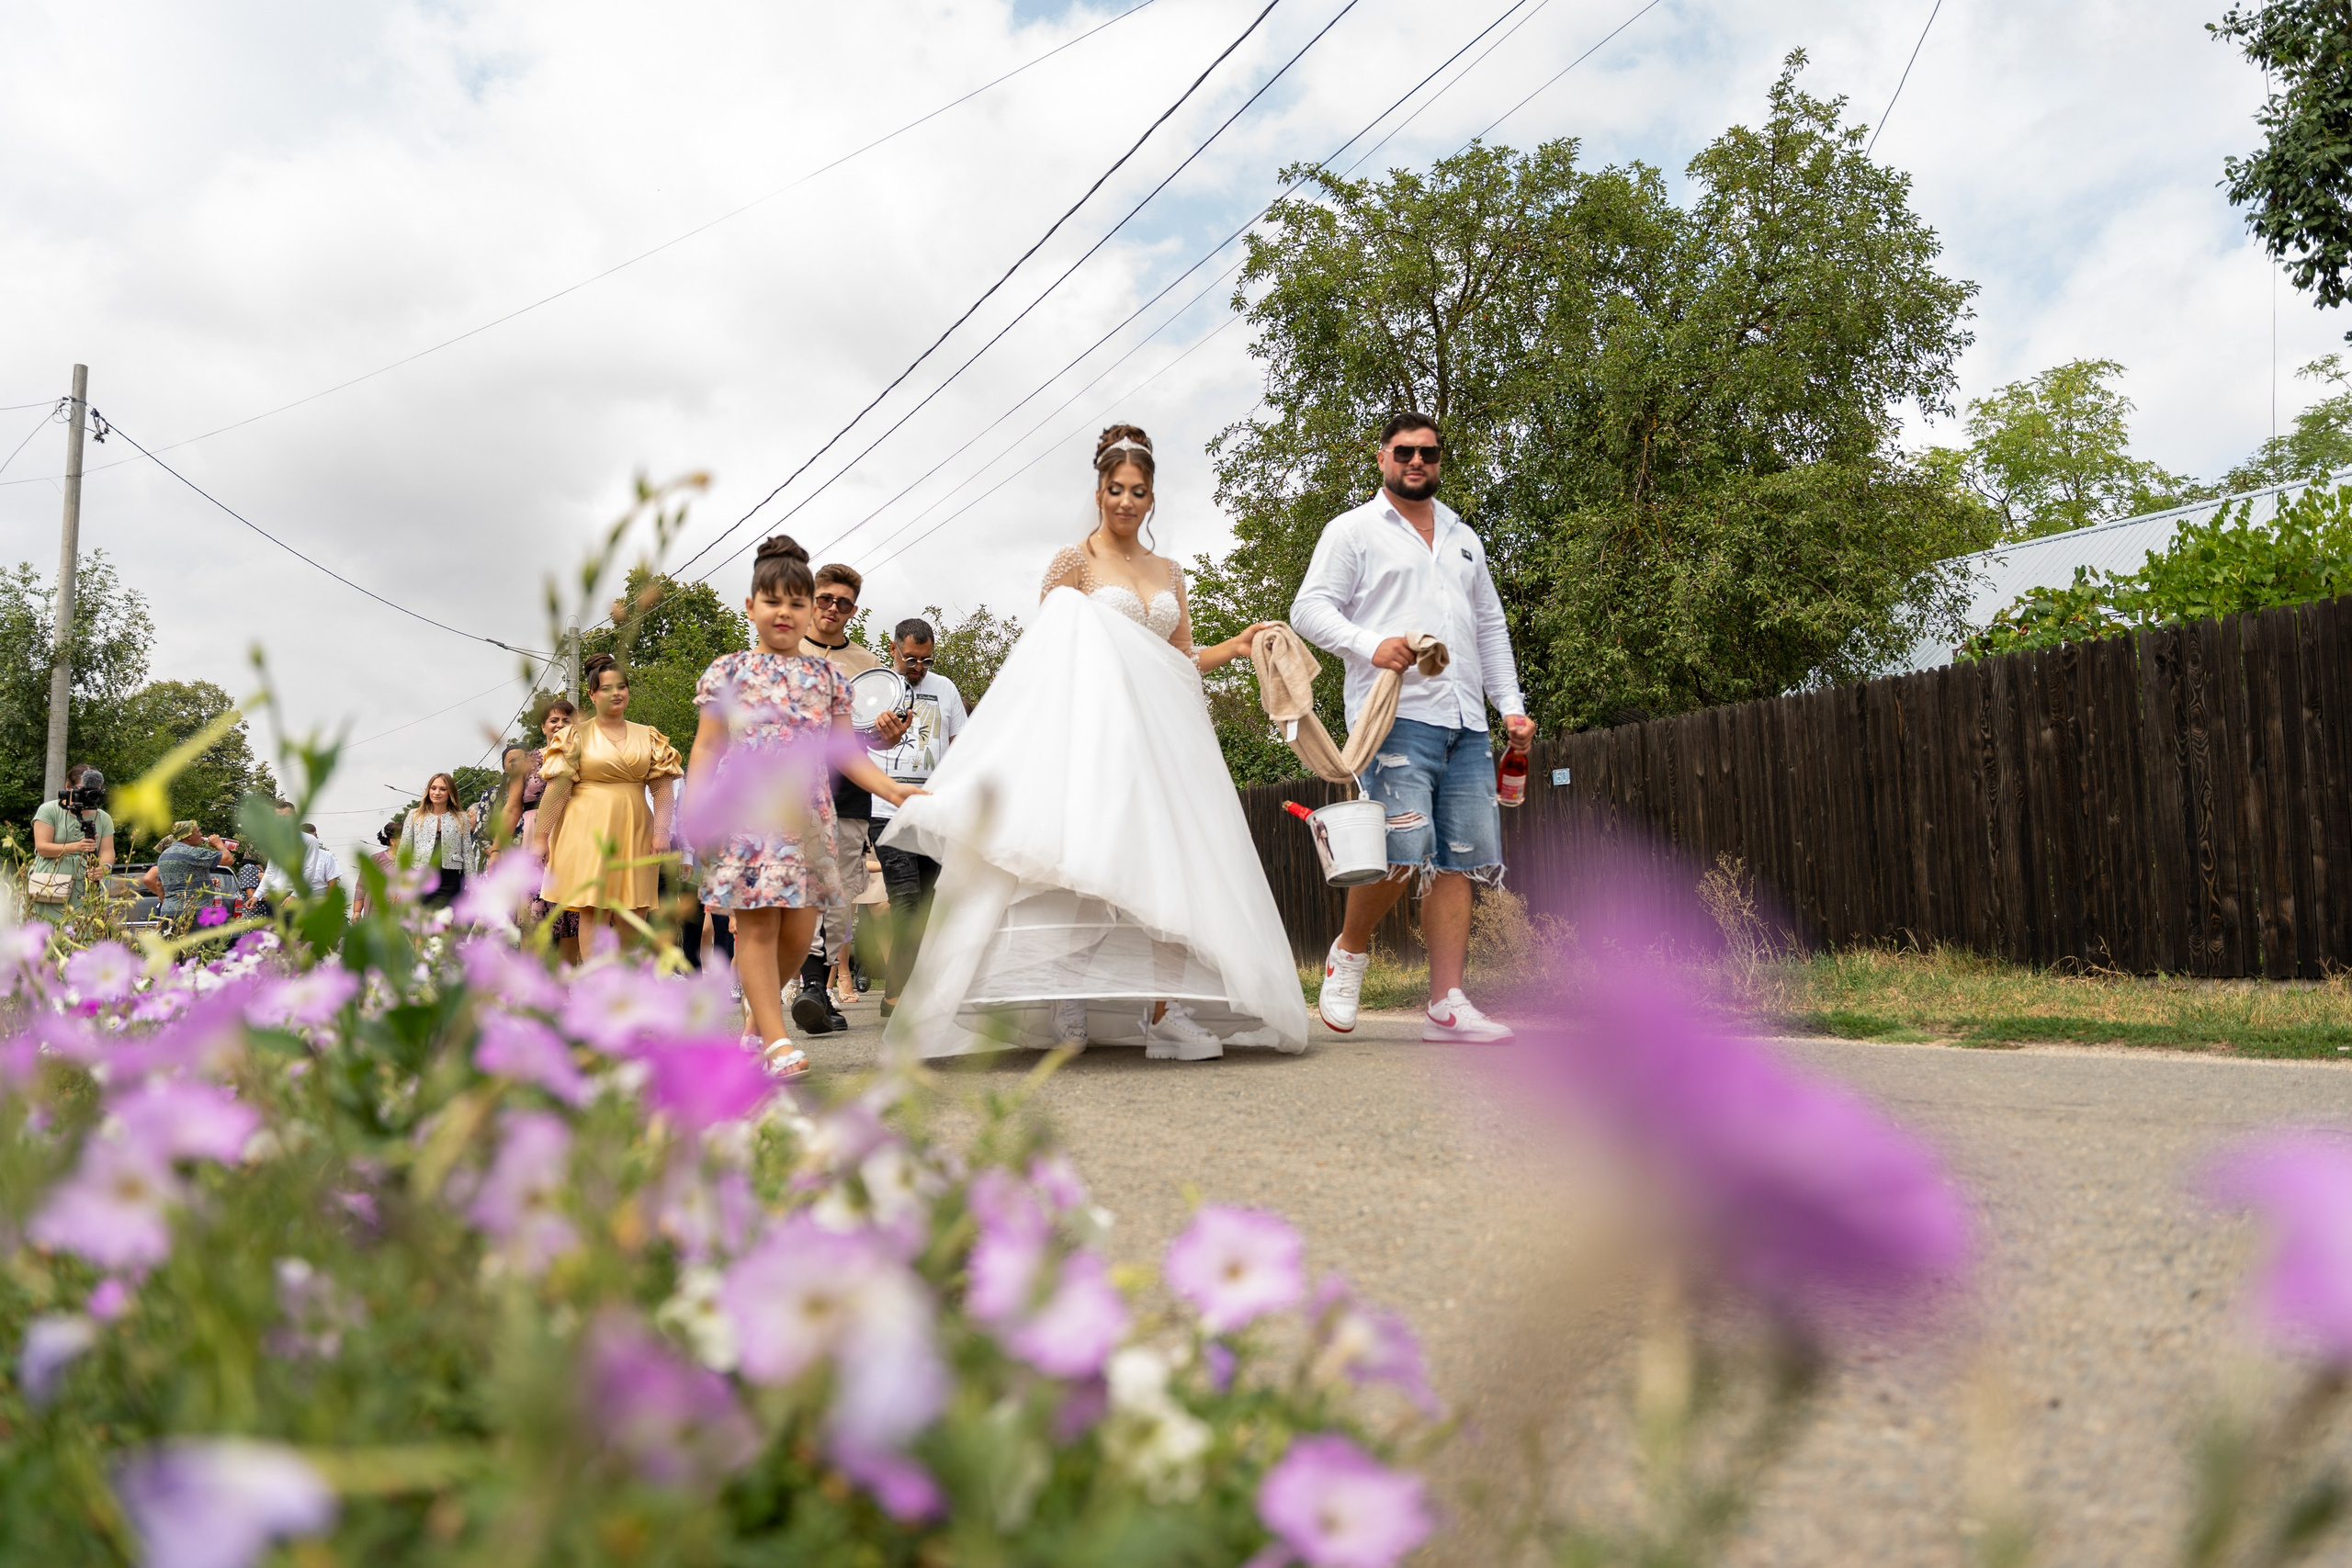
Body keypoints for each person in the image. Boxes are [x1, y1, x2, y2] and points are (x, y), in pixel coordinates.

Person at [878, 423, 1303, 1061]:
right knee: (1083, 859)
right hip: (1096, 736)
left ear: (1152, 497)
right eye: (1115, 489)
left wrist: (1237, 647)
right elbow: (1049, 658)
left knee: (1170, 862)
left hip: (1164, 737)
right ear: (1099, 490)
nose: (1126, 502)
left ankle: (1165, 1011)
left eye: (1138, 491)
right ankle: (1066, 991)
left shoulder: (1169, 571)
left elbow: (1179, 657)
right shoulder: (1072, 562)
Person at [1290, 412, 1534, 1044]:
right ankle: (1348, 952)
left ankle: (1447, 1004)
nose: (1417, 462)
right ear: (1382, 458)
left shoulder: (1464, 537)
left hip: (1464, 723)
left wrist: (1509, 705)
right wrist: (1374, 645)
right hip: (1393, 718)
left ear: (1439, 459)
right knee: (1401, 853)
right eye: (1405, 452)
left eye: (1428, 452)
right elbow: (1309, 609)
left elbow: (1489, 629)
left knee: (1458, 859)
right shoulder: (1354, 531)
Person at [684, 536, 921, 1080]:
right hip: (747, 813)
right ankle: (776, 1040)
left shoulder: (831, 679)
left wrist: (892, 790)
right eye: (773, 602)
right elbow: (706, 746)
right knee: (760, 929)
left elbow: (845, 752)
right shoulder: (729, 672)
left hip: (811, 815)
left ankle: (755, 1024)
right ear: (752, 608)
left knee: (802, 932)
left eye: (795, 602)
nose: (785, 613)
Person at [533, 653, 681, 963]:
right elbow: (556, 792)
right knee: (593, 905)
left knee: (635, 910)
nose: (616, 693)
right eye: (607, 688)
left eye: (622, 686)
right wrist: (540, 839)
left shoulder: (649, 735)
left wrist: (662, 831)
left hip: (635, 826)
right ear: (592, 694)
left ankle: (619, 970)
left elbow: (663, 790)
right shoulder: (573, 735)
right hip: (585, 827)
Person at [795, 559, 883, 1032]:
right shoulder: (783, 648)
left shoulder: (868, 665)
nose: (832, 608)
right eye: (825, 598)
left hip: (849, 793)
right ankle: (810, 986)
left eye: (843, 603)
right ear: (811, 598)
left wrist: (889, 732)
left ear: (853, 610)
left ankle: (821, 989)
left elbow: (870, 736)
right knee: (809, 888)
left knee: (842, 895)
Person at [867, 616, 968, 1021]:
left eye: (926, 660)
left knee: (927, 903)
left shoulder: (944, 689)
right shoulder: (875, 688)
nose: (919, 668)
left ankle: (917, 990)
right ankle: (895, 998)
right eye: (911, 659)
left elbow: (961, 745)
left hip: (933, 812)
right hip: (886, 810)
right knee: (905, 899)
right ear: (894, 649)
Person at [29, 763, 114, 910]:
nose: (88, 795)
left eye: (94, 791)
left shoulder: (103, 817)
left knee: (82, 929)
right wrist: (77, 847)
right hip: (50, 881)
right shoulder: (49, 810)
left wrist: (104, 867)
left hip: (85, 886)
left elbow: (107, 851)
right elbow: (42, 848)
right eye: (84, 790)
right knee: (47, 930)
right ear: (68, 787)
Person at [401, 772, 475, 908]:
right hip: (421, 877)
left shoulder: (461, 817)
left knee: (446, 923)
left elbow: (467, 852)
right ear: (428, 790)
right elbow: (404, 849)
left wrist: (472, 885)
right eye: (433, 788)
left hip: (450, 879)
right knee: (423, 923)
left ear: (450, 792)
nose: (437, 792)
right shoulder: (414, 815)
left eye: (443, 789)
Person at [145, 821, 235, 925]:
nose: (201, 834)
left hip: (168, 913)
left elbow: (159, 884)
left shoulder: (164, 855)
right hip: (193, 913)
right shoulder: (193, 853)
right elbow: (228, 860)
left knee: (174, 941)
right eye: (198, 831)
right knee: (197, 942)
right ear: (188, 836)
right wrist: (219, 844)